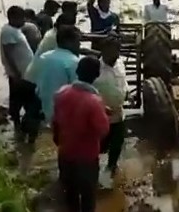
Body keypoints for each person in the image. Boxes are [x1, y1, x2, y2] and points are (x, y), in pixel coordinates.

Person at [53, 56, 109, 212]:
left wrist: (58, 140)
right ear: (97, 75)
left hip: (65, 154)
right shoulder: (94, 102)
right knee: (88, 198)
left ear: (77, 71)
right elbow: (103, 130)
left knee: (70, 196)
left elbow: (55, 121)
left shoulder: (61, 93)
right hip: (86, 159)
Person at [93, 35, 128, 189]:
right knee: (98, 144)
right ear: (103, 50)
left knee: (117, 142)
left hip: (118, 112)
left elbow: (123, 82)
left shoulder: (120, 64)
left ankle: (111, 166)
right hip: (101, 114)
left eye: (117, 50)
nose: (114, 54)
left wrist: (127, 93)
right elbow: (89, 91)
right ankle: (93, 172)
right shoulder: (95, 68)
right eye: (111, 50)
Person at [35, 26, 81, 124]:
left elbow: (38, 84)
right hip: (64, 112)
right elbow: (77, 89)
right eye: (78, 41)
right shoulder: (73, 61)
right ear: (69, 42)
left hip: (44, 107)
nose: (79, 45)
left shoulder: (44, 57)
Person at [0, 6, 35, 133]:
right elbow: (8, 53)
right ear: (13, 18)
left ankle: (22, 125)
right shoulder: (8, 32)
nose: (24, 21)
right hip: (19, 73)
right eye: (21, 18)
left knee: (21, 98)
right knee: (21, 99)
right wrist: (16, 73)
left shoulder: (14, 30)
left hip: (23, 72)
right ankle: (20, 125)